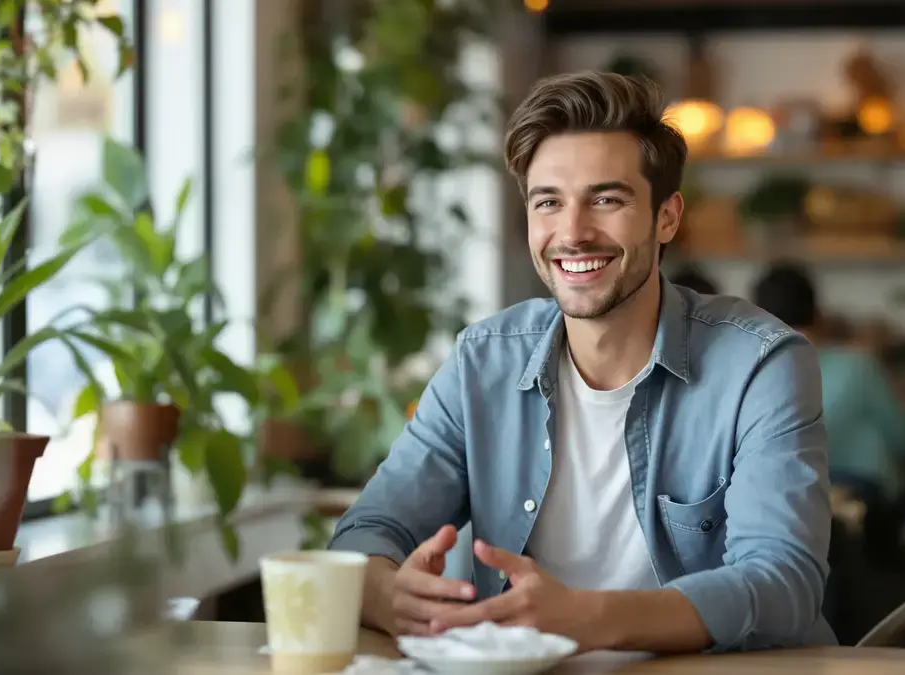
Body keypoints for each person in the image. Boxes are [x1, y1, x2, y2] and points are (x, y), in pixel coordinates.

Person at [328, 71, 836, 654]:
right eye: (549, 202)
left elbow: (784, 584)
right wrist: (384, 592)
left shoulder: (761, 365)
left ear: (666, 217)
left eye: (606, 199)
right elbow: (366, 531)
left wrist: (589, 618)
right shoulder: (482, 362)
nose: (572, 232)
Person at [751, 263, 905, 561]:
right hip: (862, 492)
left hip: (783, 499)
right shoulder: (857, 367)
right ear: (818, 315)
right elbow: (904, 439)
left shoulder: (750, 374)